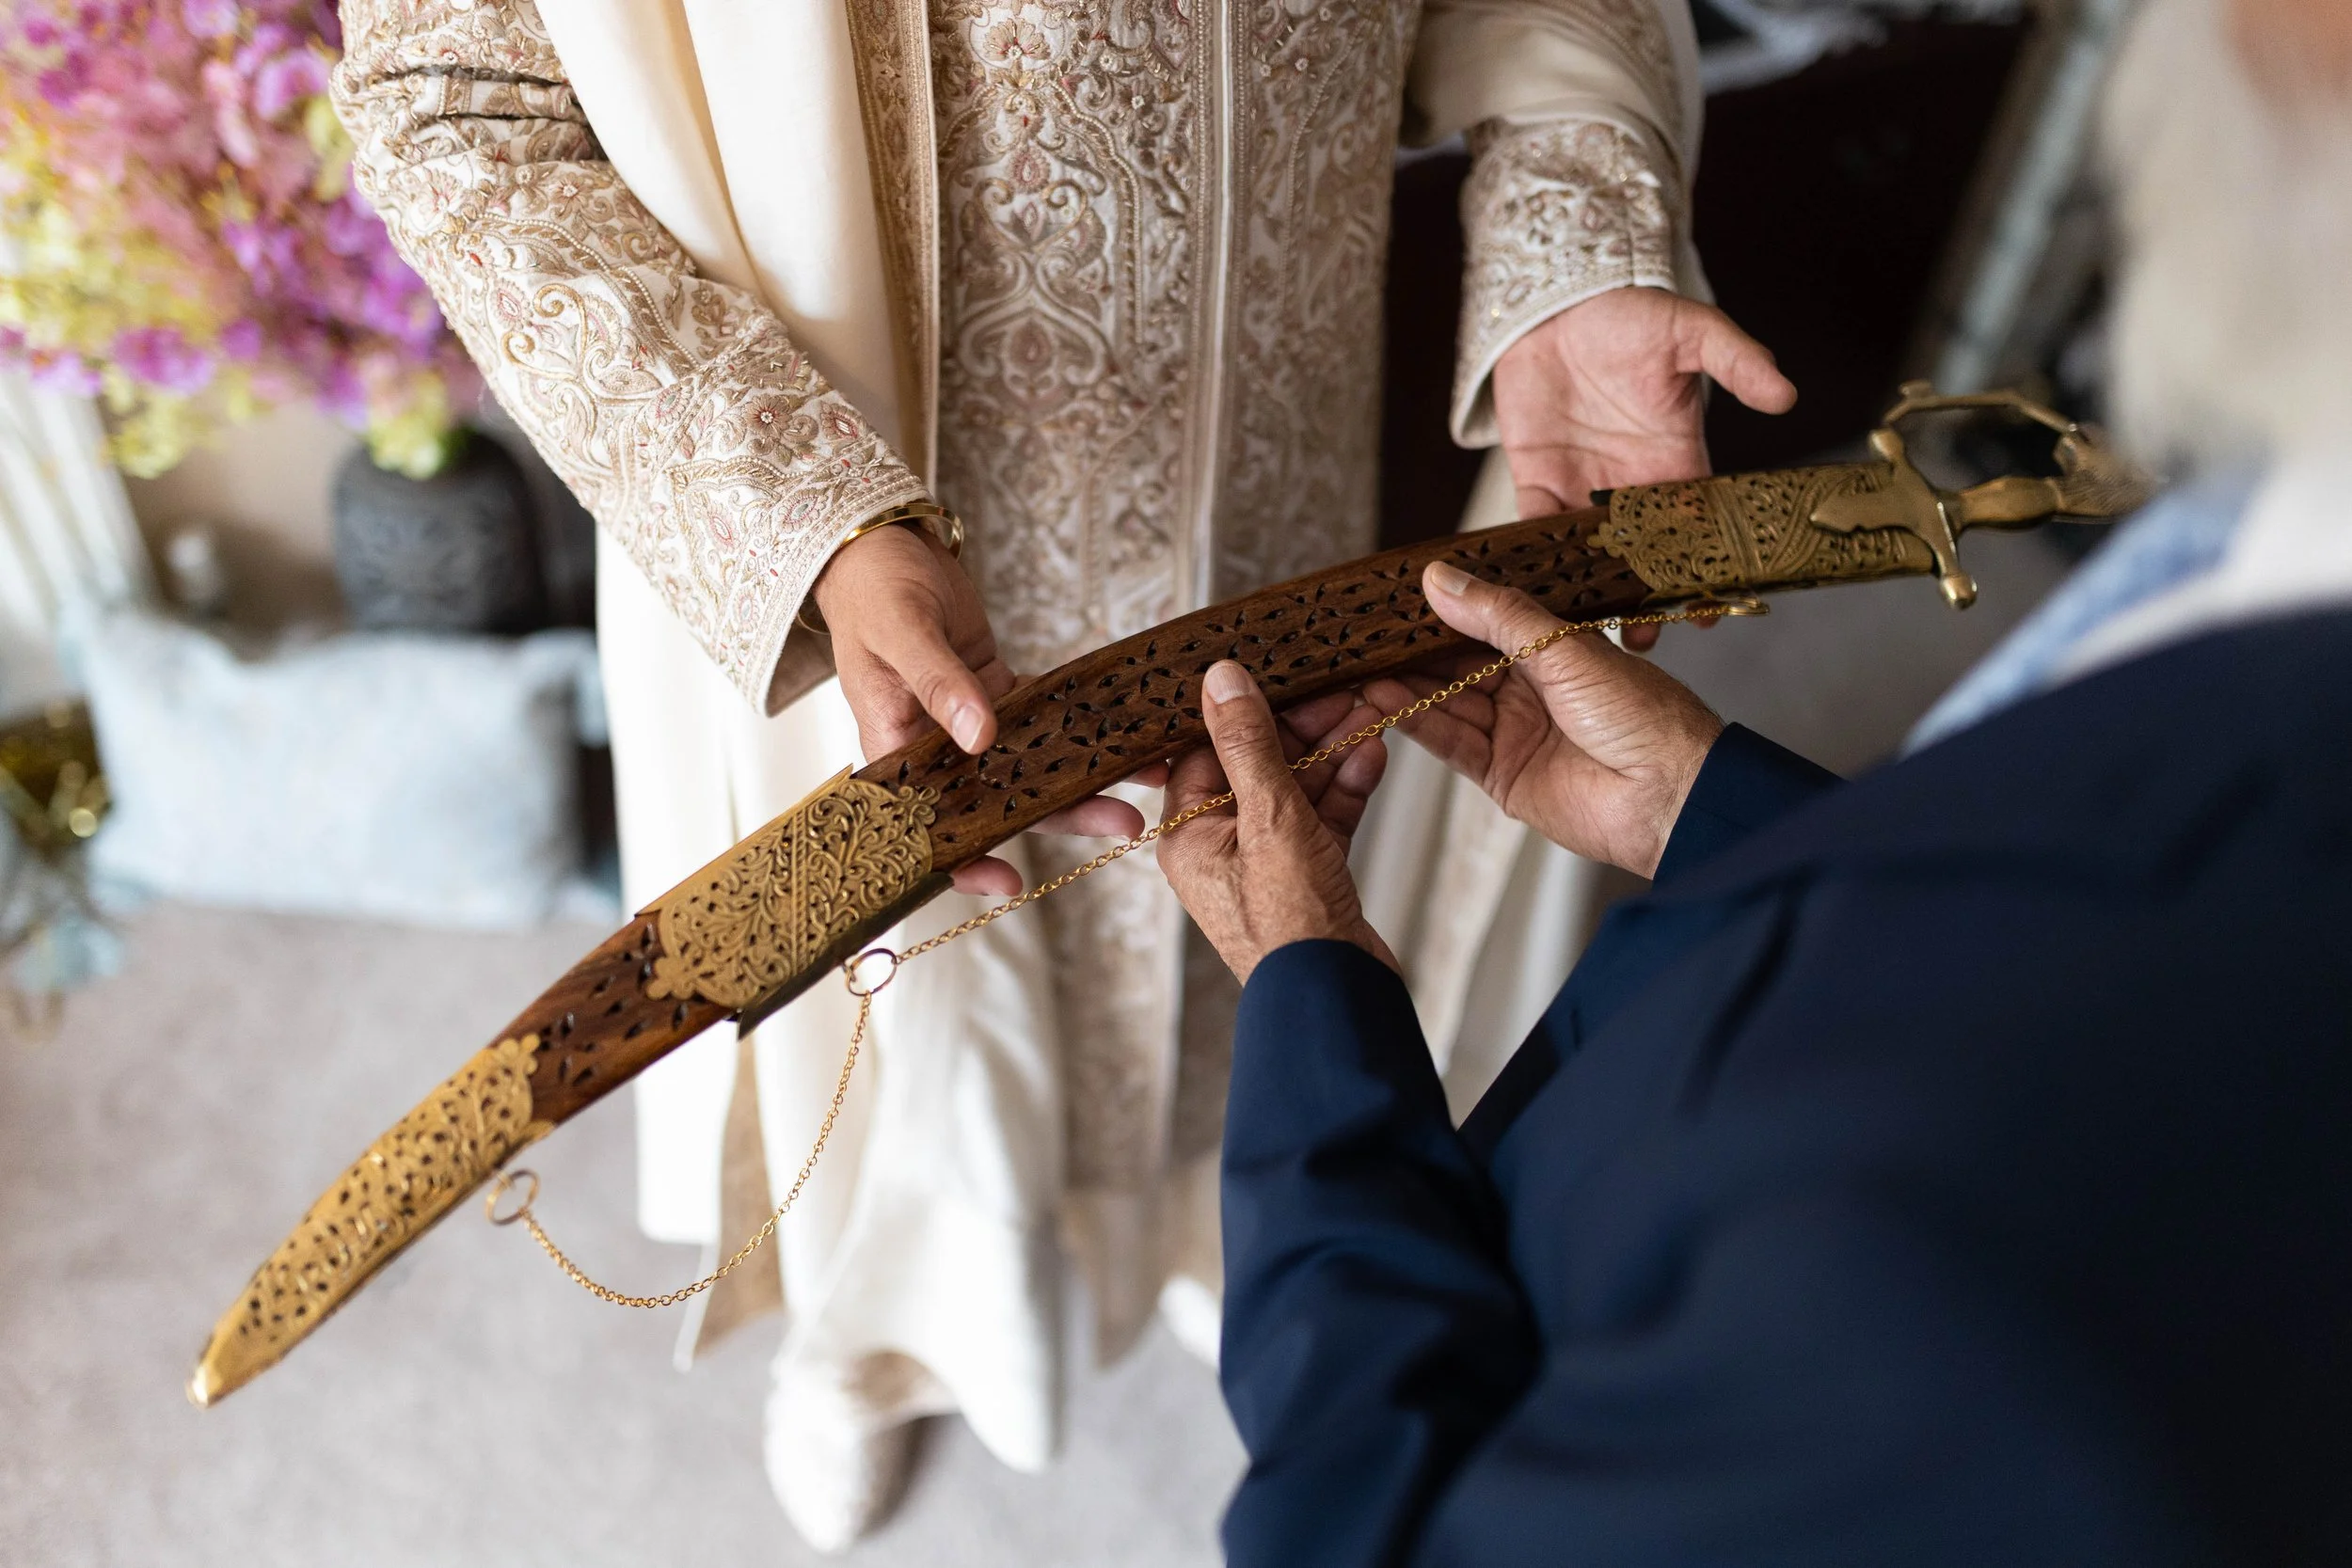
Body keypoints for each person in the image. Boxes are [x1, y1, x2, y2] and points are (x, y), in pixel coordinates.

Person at [331, 0, 1794, 1545]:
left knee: (1270, 892)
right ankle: (875, 1337)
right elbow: (455, 100)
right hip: (837, 537)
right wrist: (799, 516)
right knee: (886, 1001)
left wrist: (1576, 227)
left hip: (1284, 460)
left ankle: (1249, 1234)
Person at [1154, 0, 2352, 1559]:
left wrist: (1313, 1015)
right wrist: (1718, 817)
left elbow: (1374, 1529)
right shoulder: (2268, 572)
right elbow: (2040, 958)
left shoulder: (1991, 1368)